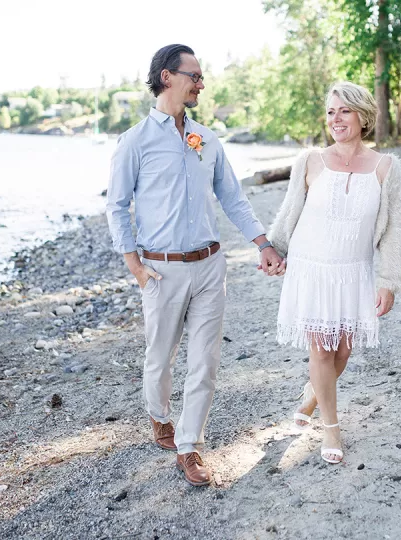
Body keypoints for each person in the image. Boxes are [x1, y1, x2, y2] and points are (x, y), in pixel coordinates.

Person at [106, 44, 284, 486]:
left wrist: (263, 243)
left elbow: (233, 198)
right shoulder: (135, 141)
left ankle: (190, 446)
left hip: (209, 265)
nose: (201, 84)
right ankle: (159, 415)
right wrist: (135, 266)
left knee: (205, 359)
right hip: (160, 269)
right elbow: (117, 206)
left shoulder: (207, 139)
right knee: (160, 358)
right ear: (168, 77)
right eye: (195, 76)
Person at [268, 81, 401, 464]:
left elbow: (394, 229)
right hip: (312, 269)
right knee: (323, 349)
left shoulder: (387, 167)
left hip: (354, 272)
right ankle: (331, 429)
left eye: (344, 111)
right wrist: (272, 249)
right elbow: (289, 213)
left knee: (343, 349)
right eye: (330, 112)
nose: (336, 119)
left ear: (363, 116)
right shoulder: (310, 160)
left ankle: (312, 397)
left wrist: (388, 282)